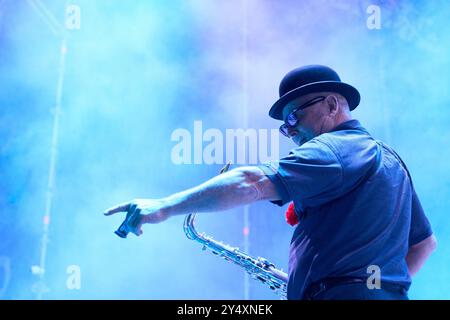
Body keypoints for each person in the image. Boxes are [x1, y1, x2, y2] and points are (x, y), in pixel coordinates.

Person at [104, 65, 436, 300]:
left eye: (294, 117)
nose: (290, 132)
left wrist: (163, 207)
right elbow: (424, 245)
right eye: (284, 127)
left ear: (332, 105)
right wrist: (375, 288)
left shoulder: (336, 149)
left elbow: (251, 181)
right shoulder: (390, 160)